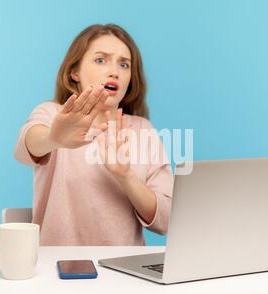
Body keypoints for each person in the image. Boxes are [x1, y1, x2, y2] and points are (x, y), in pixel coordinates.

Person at [14, 24, 173, 245]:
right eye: (101, 60)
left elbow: (166, 221)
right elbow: (25, 147)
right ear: (74, 72)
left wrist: (125, 176)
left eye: (124, 64)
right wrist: (53, 139)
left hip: (123, 272)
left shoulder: (143, 129)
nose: (114, 72)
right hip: (57, 269)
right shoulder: (52, 114)